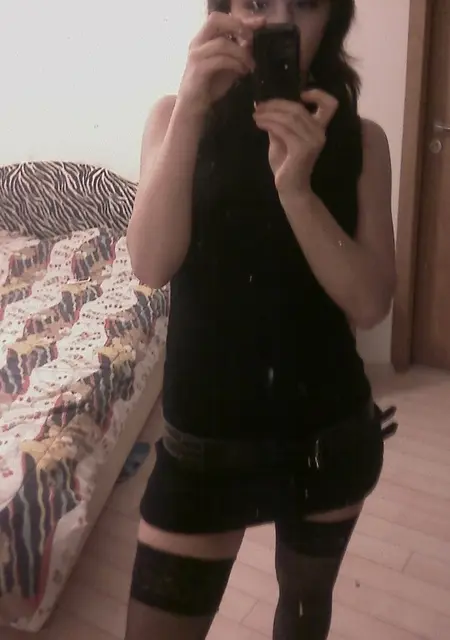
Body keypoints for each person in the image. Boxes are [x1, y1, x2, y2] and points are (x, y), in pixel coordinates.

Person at [125, 0, 397, 638]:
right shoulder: (173, 118)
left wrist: (297, 190)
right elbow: (151, 264)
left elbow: (369, 303)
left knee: (303, 612)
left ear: (333, 19)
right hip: (201, 453)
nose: (277, 22)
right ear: (223, 11)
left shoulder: (364, 141)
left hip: (325, 440)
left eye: (303, 4)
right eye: (254, 1)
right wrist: (191, 110)